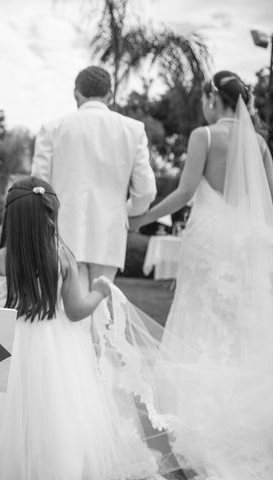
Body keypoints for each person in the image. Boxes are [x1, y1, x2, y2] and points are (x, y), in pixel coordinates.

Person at [0, 177, 163, 480]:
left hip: (4, 353)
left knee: (4, 417)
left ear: (13, 220)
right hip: (55, 353)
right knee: (54, 414)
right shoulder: (63, 259)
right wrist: (99, 291)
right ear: (51, 215)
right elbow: (76, 311)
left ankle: (8, 467)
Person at [130, 71, 273, 479]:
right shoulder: (259, 144)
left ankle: (193, 421)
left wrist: (142, 220)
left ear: (214, 97)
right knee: (238, 326)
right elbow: (269, 202)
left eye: (204, 97)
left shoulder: (204, 136)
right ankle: (239, 422)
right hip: (246, 245)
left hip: (209, 243)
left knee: (197, 319)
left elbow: (184, 193)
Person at [31, 65, 156, 289]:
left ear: (76, 92)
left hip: (60, 234)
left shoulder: (52, 128)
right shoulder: (133, 130)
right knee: (100, 313)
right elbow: (145, 190)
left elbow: (39, 185)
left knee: (60, 314)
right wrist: (125, 212)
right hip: (108, 237)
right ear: (110, 95)